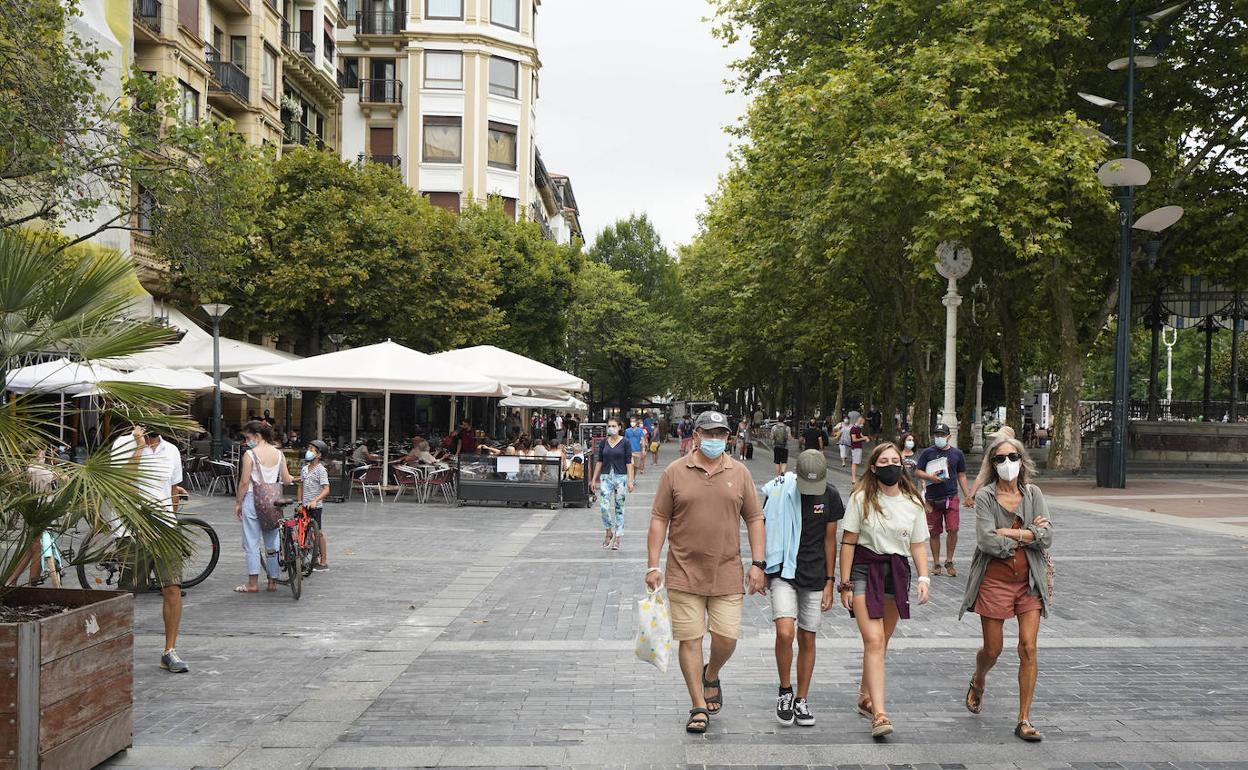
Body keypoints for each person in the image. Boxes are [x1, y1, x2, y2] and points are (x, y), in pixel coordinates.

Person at [645, 410, 766, 734]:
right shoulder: (674, 472)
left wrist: (758, 563)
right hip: (684, 571)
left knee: (727, 637)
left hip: (726, 570)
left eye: (721, 434)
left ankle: (711, 672)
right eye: (709, 433)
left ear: (728, 437)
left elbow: (754, 518)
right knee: (690, 639)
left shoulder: (739, 473)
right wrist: (653, 564)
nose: (715, 440)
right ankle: (698, 704)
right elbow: (659, 518)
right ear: (695, 435)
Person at [960, 435, 1053, 743]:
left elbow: (1047, 536)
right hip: (994, 581)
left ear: (1022, 460)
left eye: (1012, 456)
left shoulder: (1034, 493)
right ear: (992, 464)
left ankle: (1024, 718)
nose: (1007, 463)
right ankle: (979, 678)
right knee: (993, 649)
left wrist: (1009, 532)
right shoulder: (985, 496)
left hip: (1029, 583)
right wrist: (1028, 534)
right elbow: (986, 541)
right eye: (999, 459)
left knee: (1028, 647)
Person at [836, 442, 931, 738]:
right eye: (884, 460)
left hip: (897, 572)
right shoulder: (862, 498)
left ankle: (865, 695)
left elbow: (917, 543)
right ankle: (879, 713)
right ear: (874, 467)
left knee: (882, 642)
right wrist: (845, 583)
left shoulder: (913, 502)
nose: (891, 464)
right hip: (866, 568)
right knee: (874, 640)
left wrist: (924, 577)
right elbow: (848, 541)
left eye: (895, 459)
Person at [760, 449, 844, 727]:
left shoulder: (830, 495)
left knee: (808, 638)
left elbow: (830, 541)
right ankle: (785, 690)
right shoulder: (780, 491)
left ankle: (802, 698)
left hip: (815, 574)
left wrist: (831, 581)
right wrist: (760, 566)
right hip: (783, 570)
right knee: (785, 631)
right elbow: (763, 527)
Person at [111, 425, 189, 673]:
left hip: (164, 528)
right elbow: (122, 481)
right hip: (131, 529)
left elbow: (173, 489)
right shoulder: (122, 444)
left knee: (173, 588)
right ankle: (115, 648)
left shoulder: (172, 450)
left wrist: (172, 521)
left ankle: (169, 650)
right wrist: (138, 446)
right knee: (127, 591)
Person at [234, 420, 294, 594]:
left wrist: (238, 502)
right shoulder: (279, 454)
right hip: (273, 501)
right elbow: (287, 479)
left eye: (248, 437)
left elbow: (244, 482)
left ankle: (252, 583)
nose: (246, 442)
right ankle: (272, 581)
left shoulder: (250, 455)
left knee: (251, 542)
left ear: (257, 436)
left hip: (253, 499)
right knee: (272, 541)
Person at [914, 423, 974, 578]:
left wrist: (968, 495)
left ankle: (949, 560)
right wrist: (929, 477)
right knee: (934, 532)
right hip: (932, 498)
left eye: (942, 435)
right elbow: (918, 471)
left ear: (949, 437)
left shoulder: (957, 454)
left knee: (953, 528)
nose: (939, 438)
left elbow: (961, 475)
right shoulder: (927, 453)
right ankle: (936, 562)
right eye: (937, 435)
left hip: (951, 496)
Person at [590, 417, 634, 550]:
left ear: (620, 427)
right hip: (606, 476)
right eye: (609, 426)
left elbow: (629, 462)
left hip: (621, 477)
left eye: (614, 426)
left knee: (619, 508)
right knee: (604, 506)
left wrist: (630, 481)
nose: (611, 428)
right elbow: (600, 460)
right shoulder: (604, 442)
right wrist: (594, 479)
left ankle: (618, 537)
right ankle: (608, 531)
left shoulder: (625, 442)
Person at [297, 440, 331, 571]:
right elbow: (301, 486)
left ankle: (323, 561)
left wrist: (315, 500)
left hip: (315, 507)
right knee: (305, 532)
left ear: (319, 455)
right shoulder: (304, 469)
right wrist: (300, 502)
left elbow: (326, 489)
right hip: (304, 506)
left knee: (319, 533)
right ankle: (313, 559)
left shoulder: (321, 470)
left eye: (312, 450)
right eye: (309, 448)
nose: (309, 451)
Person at [848, 411, 870, 483]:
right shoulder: (853, 429)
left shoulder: (858, 428)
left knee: (856, 462)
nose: (863, 423)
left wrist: (865, 438)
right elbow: (854, 440)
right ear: (859, 420)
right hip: (855, 447)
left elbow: (861, 435)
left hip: (859, 447)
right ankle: (853, 479)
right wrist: (863, 438)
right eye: (863, 422)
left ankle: (854, 478)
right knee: (855, 463)